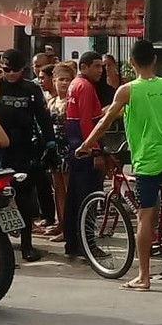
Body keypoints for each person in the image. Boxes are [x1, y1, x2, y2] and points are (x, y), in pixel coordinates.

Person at [77, 40, 162, 290]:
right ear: (155, 61)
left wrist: (86, 144)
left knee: (144, 215)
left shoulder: (127, 90)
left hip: (149, 158)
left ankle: (143, 276)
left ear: (131, 63)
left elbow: (105, 122)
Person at [0, 49, 56, 262]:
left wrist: (50, 143)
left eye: (15, 70)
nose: (10, 74)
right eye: (6, 70)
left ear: (23, 69)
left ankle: (27, 244)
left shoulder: (31, 88)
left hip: (23, 149)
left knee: (24, 199)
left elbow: (43, 118)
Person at [63, 51, 105, 258]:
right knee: (88, 200)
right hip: (85, 149)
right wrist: (95, 149)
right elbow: (87, 122)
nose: (101, 70)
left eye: (101, 66)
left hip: (75, 148)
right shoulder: (86, 87)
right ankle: (88, 244)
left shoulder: (74, 85)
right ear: (84, 67)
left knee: (74, 199)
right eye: (96, 66)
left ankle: (72, 243)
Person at [45, 64, 74, 242]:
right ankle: (61, 223)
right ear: (54, 81)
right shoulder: (52, 101)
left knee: (69, 189)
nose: (64, 83)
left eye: (67, 79)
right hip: (55, 149)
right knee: (57, 190)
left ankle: (70, 227)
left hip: (68, 149)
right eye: (60, 79)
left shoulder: (72, 101)